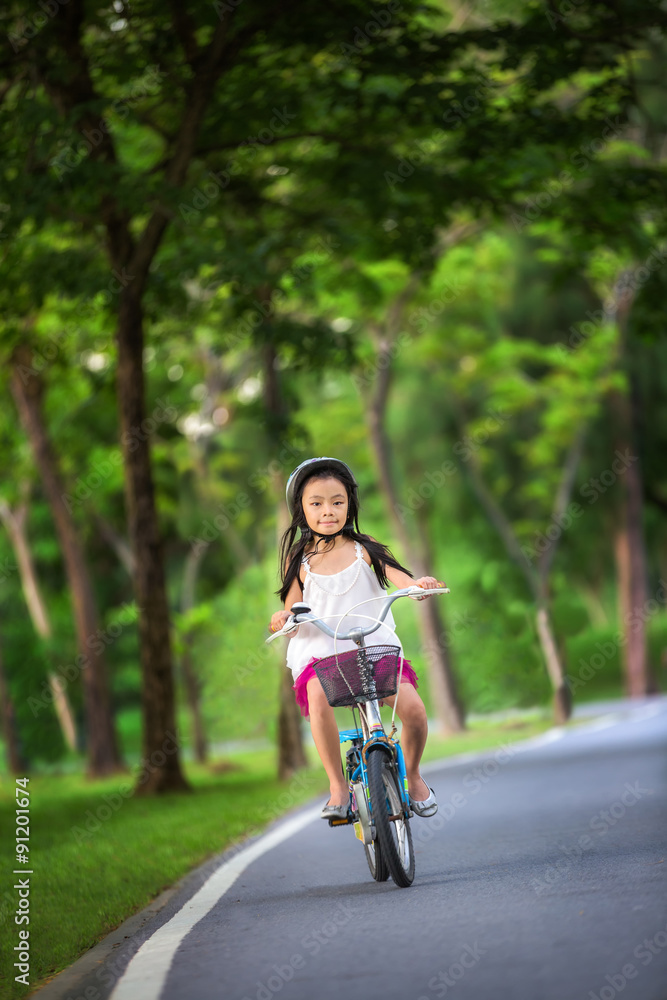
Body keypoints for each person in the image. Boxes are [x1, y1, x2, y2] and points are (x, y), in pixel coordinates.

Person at [269, 456, 445, 821]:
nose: (328, 511)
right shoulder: (298, 558)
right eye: (316, 503)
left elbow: (401, 579)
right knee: (317, 696)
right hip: (323, 652)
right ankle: (337, 788)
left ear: (350, 503)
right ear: (301, 509)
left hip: (372, 645)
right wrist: (284, 617)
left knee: (412, 709)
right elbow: (293, 607)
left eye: (337, 501)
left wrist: (418, 586)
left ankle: (412, 776)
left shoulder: (363, 547)